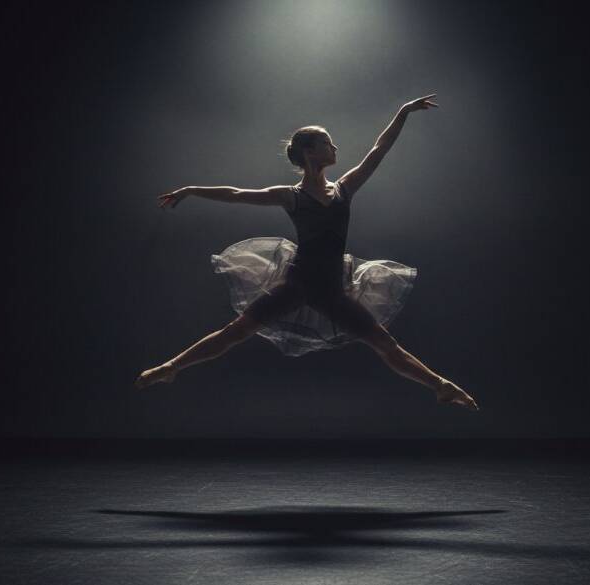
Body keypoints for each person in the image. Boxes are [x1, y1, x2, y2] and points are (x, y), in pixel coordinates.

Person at [135, 94, 478, 410]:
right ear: (310, 151)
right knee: (235, 332)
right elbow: (237, 194)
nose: (335, 147)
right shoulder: (291, 196)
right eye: (328, 142)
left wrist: (403, 112)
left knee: (385, 344)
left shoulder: (344, 188)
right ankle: (171, 367)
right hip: (298, 283)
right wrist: (192, 189)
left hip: (332, 290)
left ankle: (441, 385)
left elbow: (379, 150)